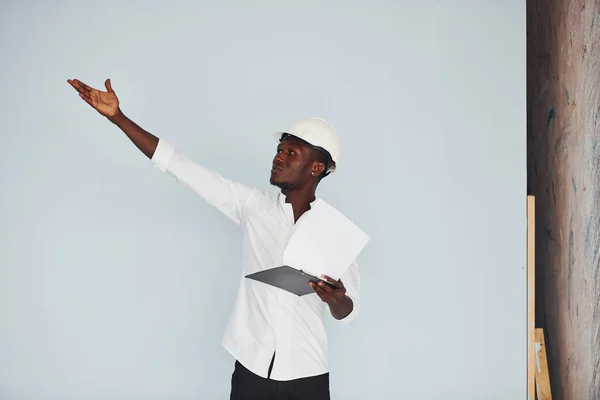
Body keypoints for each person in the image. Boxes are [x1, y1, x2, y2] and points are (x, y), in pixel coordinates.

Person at [67, 78, 360, 400]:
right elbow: (180, 166)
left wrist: (336, 300)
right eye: (279, 150)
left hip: (307, 371)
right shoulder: (253, 206)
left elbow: (349, 312)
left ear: (316, 168)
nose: (279, 157)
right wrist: (118, 117)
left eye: (292, 153)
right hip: (252, 364)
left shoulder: (336, 231)